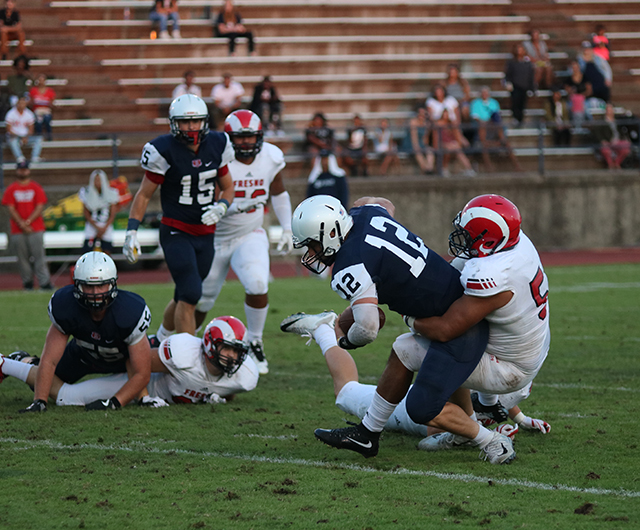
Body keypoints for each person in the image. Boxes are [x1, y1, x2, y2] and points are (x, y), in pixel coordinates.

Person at [283, 195, 515, 465]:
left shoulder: (351, 264)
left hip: (458, 329)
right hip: (454, 305)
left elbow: (368, 328)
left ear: (332, 232)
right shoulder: (365, 214)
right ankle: (368, 434)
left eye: (313, 243)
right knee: (402, 350)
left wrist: (347, 342)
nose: (312, 252)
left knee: (421, 408)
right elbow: (383, 202)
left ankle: (493, 441)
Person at [280, 311, 550, 445]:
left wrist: (521, 420)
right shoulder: (492, 375)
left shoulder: (508, 381)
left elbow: (499, 403)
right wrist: (479, 433)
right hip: (424, 400)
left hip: (435, 399)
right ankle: (324, 329)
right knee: (346, 391)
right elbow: (437, 422)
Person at [173, 109, 293, 375]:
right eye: (240, 138)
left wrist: (287, 227)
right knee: (201, 300)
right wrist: (232, 206)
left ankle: (255, 340)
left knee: (258, 283)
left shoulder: (271, 157)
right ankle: (190, 347)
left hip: (249, 233)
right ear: (228, 138)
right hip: (212, 238)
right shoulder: (215, 155)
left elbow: (279, 192)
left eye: (251, 137)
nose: (246, 143)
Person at [123, 94, 235, 336]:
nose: (191, 127)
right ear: (174, 123)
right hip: (177, 230)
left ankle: (162, 337)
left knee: (185, 293)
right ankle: (188, 356)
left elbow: (228, 187)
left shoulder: (217, 144)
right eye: (185, 122)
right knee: (191, 293)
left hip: (206, 233)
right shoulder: (163, 150)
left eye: (195, 122)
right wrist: (132, 230)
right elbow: (143, 195)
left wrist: (221, 207)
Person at [1, 316, 259, 407]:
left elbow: (230, 388)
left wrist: (219, 396)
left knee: (64, 392)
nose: (234, 358)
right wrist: (143, 396)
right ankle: (7, 363)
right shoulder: (184, 353)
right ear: (210, 345)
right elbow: (139, 364)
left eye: (238, 352)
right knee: (67, 396)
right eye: (228, 350)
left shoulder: (245, 377)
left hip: (162, 387)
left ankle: (23, 360)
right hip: (142, 375)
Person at [17, 252, 152, 413]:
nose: (95, 293)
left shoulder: (130, 312)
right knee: (43, 381)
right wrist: (39, 401)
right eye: (89, 286)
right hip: (82, 356)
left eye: (100, 285)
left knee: (144, 360)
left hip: (119, 361)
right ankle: (21, 359)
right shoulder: (66, 306)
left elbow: (142, 373)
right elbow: (49, 360)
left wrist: (115, 402)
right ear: (78, 286)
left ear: (112, 284)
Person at [1, 159, 53, 291]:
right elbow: (11, 208)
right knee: (22, 259)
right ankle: (27, 283)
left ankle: (44, 282)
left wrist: (28, 222)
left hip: (35, 228)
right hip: (18, 230)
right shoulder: (12, 189)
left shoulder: (35, 187)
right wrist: (22, 224)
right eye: (21, 169)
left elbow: (39, 206)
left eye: (25, 169)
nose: (23, 172)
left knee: (39, 257)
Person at [470, 86, 522, 172]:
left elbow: (502, 140)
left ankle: (517, 167)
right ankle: (489, 169)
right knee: (484, 146)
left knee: (507, 144)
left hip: (492, 140)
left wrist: (497, 143)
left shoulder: (497, 124)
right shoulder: (476, 104)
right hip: (482, 134)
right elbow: (483, 141)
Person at [78, 169, 120, 254]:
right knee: (88, 251)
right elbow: (86, 212)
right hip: (92, 225)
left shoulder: (111, 193)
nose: (97, 182)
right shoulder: (86, 193)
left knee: (107, 252)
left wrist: (104, 227)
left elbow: (112, 213)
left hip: (106, 225)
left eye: (99, 180)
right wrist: (96, 227)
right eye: (95, 180)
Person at [432, 108, 475, 177]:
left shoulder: (451, 124)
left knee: (458, 151)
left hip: (452, 145)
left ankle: (469, 169)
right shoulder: (437, 125)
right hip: (442, 144)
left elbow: (458, 136)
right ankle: (444, 169)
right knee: (448, 149)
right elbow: (436, 140)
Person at [591, 103, 631, 170]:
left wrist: (624, 139)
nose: (609, 111)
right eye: (608, 109)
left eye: (610, 109)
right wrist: (603, 140)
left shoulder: (618, 121)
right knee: (605, 150)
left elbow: (622, 132)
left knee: (626, 149)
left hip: (618, 141)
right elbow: (598, 133)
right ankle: (611, 165)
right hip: (608, 141)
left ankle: (616, 163)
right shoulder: (601, 122)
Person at [5, 95, 43, 164]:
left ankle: (35, 157)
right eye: (20, 103)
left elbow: (31, 129)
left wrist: (26, 136)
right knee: (12, 140)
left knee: (39, 139)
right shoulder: (10, 113)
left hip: (26, 136)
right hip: (14, 136)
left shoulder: (29, 114)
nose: (22, 105)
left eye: (24, 103)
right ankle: (19, 157)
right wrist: (20, 137)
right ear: (17, 104)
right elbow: (9, 130)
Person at [504, 43, 535, 126]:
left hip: (524, 87)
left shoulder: (527, 63)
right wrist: (508, 83)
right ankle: (515, 118)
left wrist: (531, 88)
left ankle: (521, 119)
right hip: (515, 87)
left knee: (522, 104)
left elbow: (530, 76)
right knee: (515, 103)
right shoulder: (512, 63)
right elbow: (508, 74)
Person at [402, 106, 434, 174]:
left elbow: (425, 139)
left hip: (421, 143)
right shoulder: (413, 122)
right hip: (410, 143)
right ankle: (426, 170)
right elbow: (414, 138)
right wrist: (417, 147)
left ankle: (430, 168)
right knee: (418, 152)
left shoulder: (426, 123)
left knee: (430, 151)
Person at [28, 72, 55, 141]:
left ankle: (49, 135)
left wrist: (47, 103)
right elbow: (30, 102)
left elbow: (52, 104)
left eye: (42, 80)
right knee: (38, 121)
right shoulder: (33, 90)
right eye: (40, 80)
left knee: (47, 119)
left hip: (46, 110)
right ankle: (38, 136)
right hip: (37, 110)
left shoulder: (50, 91)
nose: (41, 82)